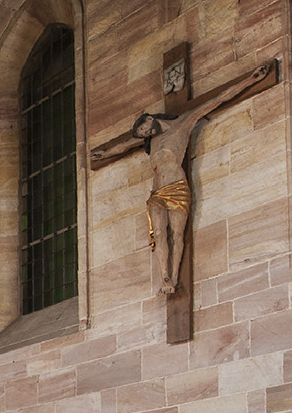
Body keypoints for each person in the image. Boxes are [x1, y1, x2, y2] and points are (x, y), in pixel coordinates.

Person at [94, 63, 271, 294]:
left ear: (149, 118)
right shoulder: (153, 141)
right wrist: (105, 153)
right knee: (159, 234)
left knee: (177, 234)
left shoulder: (183, 123)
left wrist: (251, 80)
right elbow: (125, 145)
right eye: (144, 135)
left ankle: (174, 277)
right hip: (157, 192)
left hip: (177, 187)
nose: (147, 135)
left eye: (146, 130)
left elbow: (217, 100)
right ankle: (164, 276)